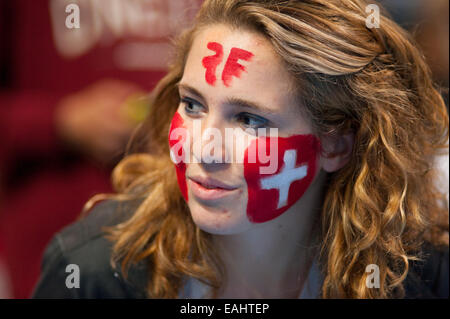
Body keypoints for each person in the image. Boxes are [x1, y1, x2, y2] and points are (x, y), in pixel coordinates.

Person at [32, 0, 449, 299]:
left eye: (249, 120)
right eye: (192, 104)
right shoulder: (96, 272)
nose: (204, 149)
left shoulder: (414, 274)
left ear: (336, 142)